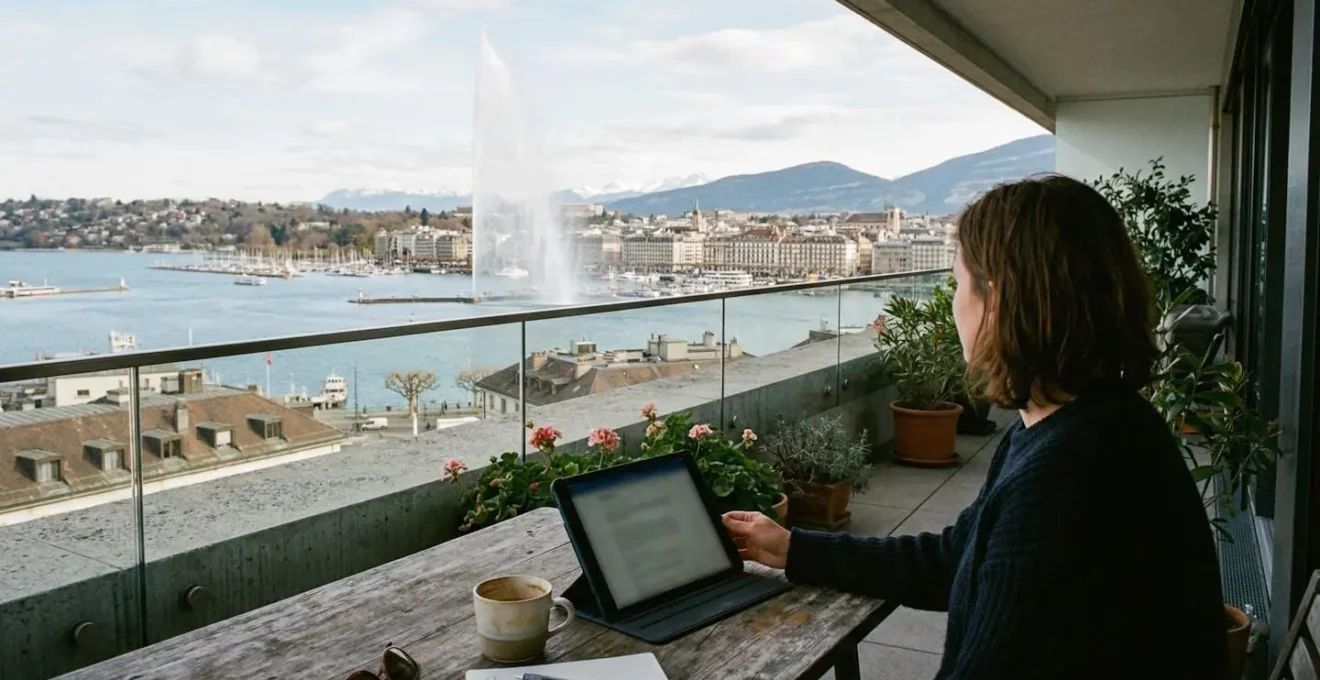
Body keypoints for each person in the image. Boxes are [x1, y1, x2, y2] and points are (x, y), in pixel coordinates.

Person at [724, 175, 1228, 679]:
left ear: (1001, 298)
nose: (953, 303)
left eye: (958, 282)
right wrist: (796, 549)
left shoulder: (1063, 480)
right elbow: (957, 557)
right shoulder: (1089, 424)